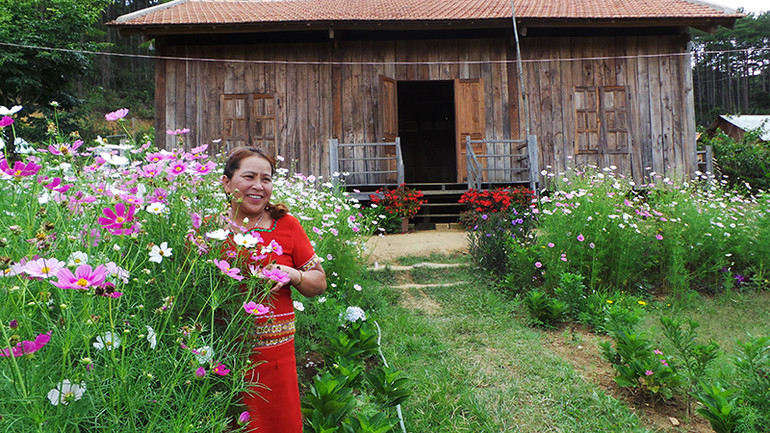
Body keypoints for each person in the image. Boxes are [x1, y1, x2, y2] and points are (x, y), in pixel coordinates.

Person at [220, 146, 327, 432]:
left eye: (265, 179)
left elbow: (319, 282)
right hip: (224, 358)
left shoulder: (286, 226)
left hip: (275, 361)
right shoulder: (210, 231)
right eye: (249, 177)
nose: (258, 186)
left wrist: (295, 275)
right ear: (227, 183)